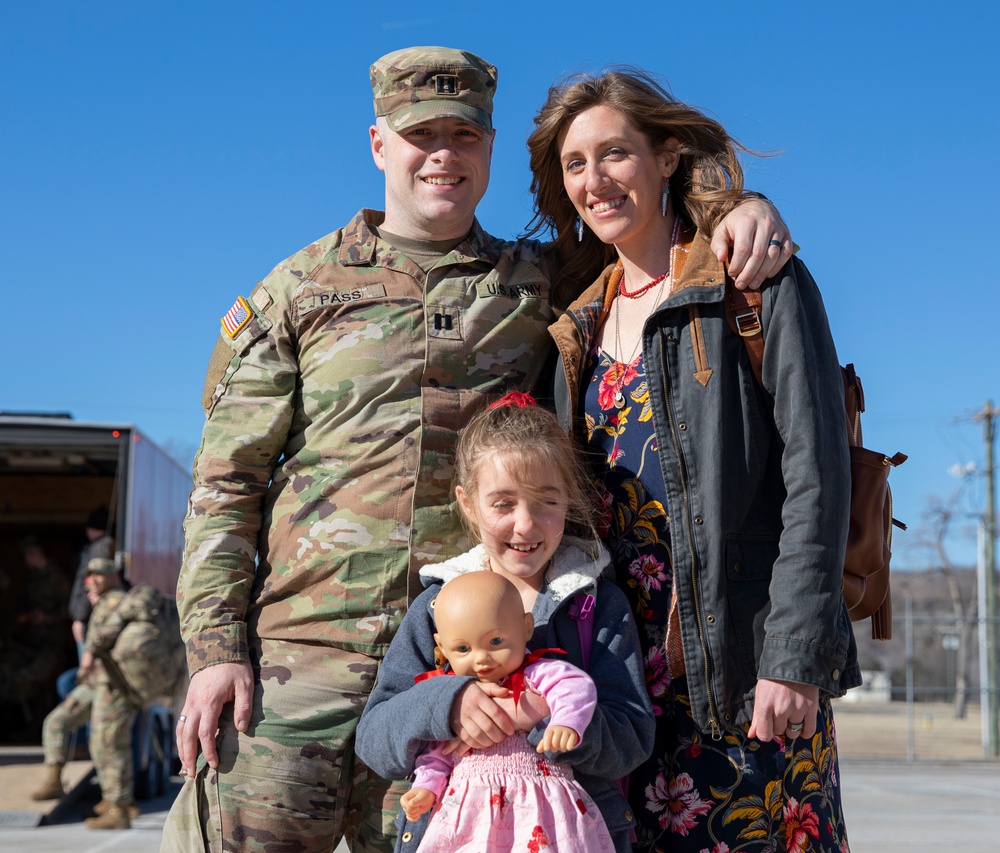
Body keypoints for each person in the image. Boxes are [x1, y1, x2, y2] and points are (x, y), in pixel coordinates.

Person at [162, 45, 792, 853]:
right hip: (298, 671)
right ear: (379, 144)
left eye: (464, 136)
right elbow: (226, 481)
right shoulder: (302, 291)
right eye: (421, 134)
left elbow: (645, 228)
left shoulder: (542, 283)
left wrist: (739, 208)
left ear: (490, 149)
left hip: (478, 682)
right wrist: (216, 650)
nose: (443, 155)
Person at [532, 69, 859, 851]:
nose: (594, 180)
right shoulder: (573, 326)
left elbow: (818, 477)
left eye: (615, 153)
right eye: (575, 164)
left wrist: (792, 656)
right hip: (617, 695)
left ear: (668, 154)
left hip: (744, 675)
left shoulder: (751, 285)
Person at [356, 393, 651, 853]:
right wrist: (449, 705)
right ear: (469, 505)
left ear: (568, 500)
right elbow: (374, 739)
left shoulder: (596, 606)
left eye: (545, 501)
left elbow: (631, 737)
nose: (526, 524)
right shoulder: (438, 606)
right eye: (502, 504)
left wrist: (545, 715)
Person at [400, 570, 614, 852]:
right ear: (442, 647)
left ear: (527, 627)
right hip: (471, 814)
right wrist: (426, 788)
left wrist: (565, 722)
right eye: (463, 648)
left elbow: (574, 686)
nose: (481, 658)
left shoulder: (537, 674)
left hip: (542, 806)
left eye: (496, 641)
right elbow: (436, 754)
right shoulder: (452, 698)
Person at [31, 557, 144, 830]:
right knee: (58, 722)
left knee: (108, 742)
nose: (93, 579)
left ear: (112, 577)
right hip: (96, 683)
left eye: (100, 574)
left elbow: (105, 637)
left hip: (112, 683)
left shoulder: (116, 600)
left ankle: (120, 806)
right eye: (90, 575)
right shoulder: (102, 602)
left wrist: (89, 652)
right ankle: (56, 780)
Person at [68, 506, 114, 659]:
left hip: (90, 618)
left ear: (90, 529)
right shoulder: (101, 546)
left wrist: (80, 618)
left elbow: (91, 584)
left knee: (87, 667)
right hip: (92, 616)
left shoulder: (99, 548)